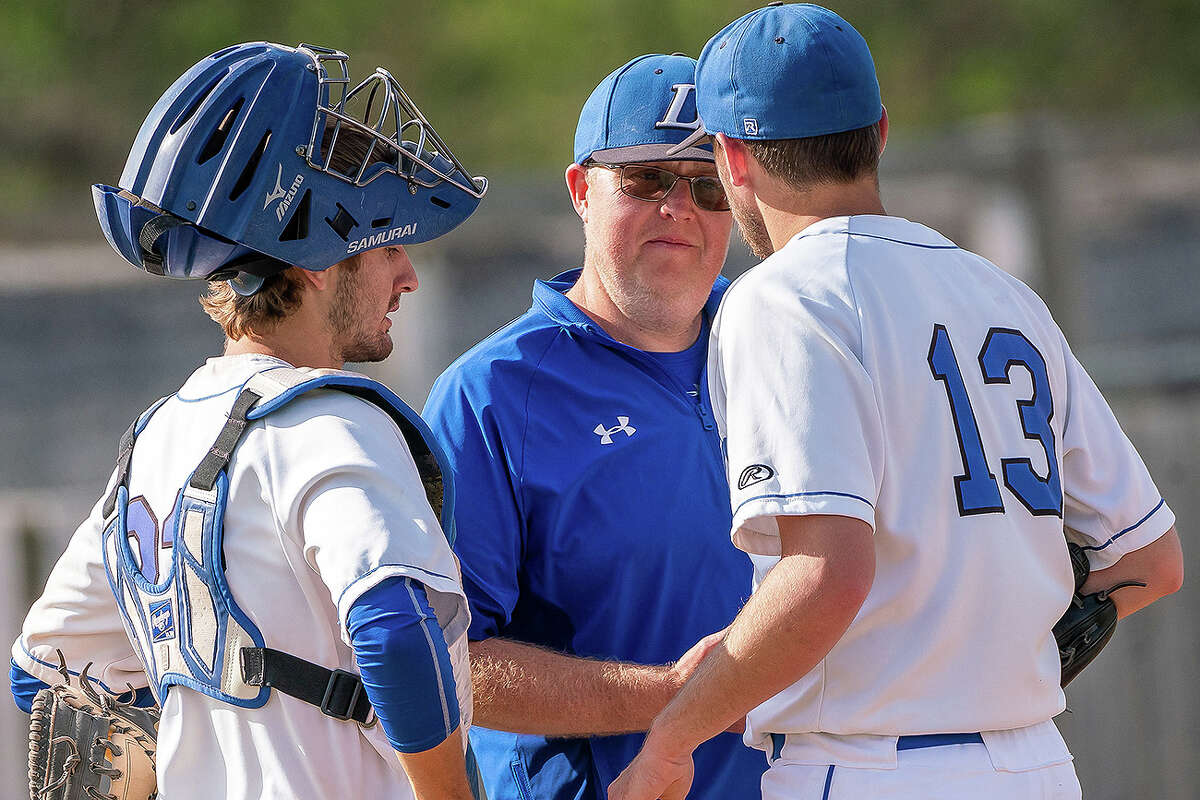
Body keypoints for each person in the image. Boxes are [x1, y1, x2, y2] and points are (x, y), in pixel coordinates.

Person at [610, 6, 1184, 800]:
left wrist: (672, 740)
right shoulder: (1004, 295)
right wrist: (988, 642)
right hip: (1039, 765)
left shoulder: (782, 297)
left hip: (873, 767)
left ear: (733, 159)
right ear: (878, 132)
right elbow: (1149, 562)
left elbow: (826, 575)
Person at [10, 42, 490, 800]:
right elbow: (395, 630)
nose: (409, 274)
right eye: (387, 244)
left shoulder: (157, 439)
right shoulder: (330, 422)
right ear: (316, 261)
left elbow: (45, 674)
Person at [422, 53, 766, 799]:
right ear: (582, 190)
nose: (679, 206)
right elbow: (443, 663)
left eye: (708, 186)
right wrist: (671, 692)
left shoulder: (780, 342)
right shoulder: (493, 395)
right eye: (646, 179)